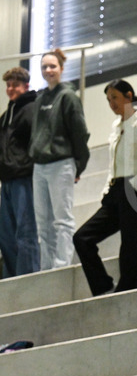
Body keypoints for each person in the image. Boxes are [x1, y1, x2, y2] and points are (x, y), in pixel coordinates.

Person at [73, 80, 137, 295]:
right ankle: (102, 286)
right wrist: (107, 190)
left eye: (115, 97)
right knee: (82, 238)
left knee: (130, 242)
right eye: (108, 99)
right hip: (114, 190)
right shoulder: (117, 126)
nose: (111, 103)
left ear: (128, 95)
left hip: (132, 187)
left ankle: (126, 289)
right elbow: (113, 163)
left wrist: (135, 185)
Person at [29, 49, 90, 271]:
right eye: (44, 66)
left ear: (62, 68)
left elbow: (80, 132)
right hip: (40, 166)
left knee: (62, 220)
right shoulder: (40, 98)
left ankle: (61, 266)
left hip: (61, 163)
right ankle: (46, 269)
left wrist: (78, 164)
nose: (48, 70)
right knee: (43, 224)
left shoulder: (68, 97)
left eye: (52, 66)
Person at [0, 67, 39, 277]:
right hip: (6, 181)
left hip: (24, 177)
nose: (10, 89)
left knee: (25, 232)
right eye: (8, 85)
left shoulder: (31, 108)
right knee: (5, 235)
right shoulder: (6, 116)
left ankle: (29, 279)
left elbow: (37, 142)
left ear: (26, 86)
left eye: (15, 85)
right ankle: (12, 280)